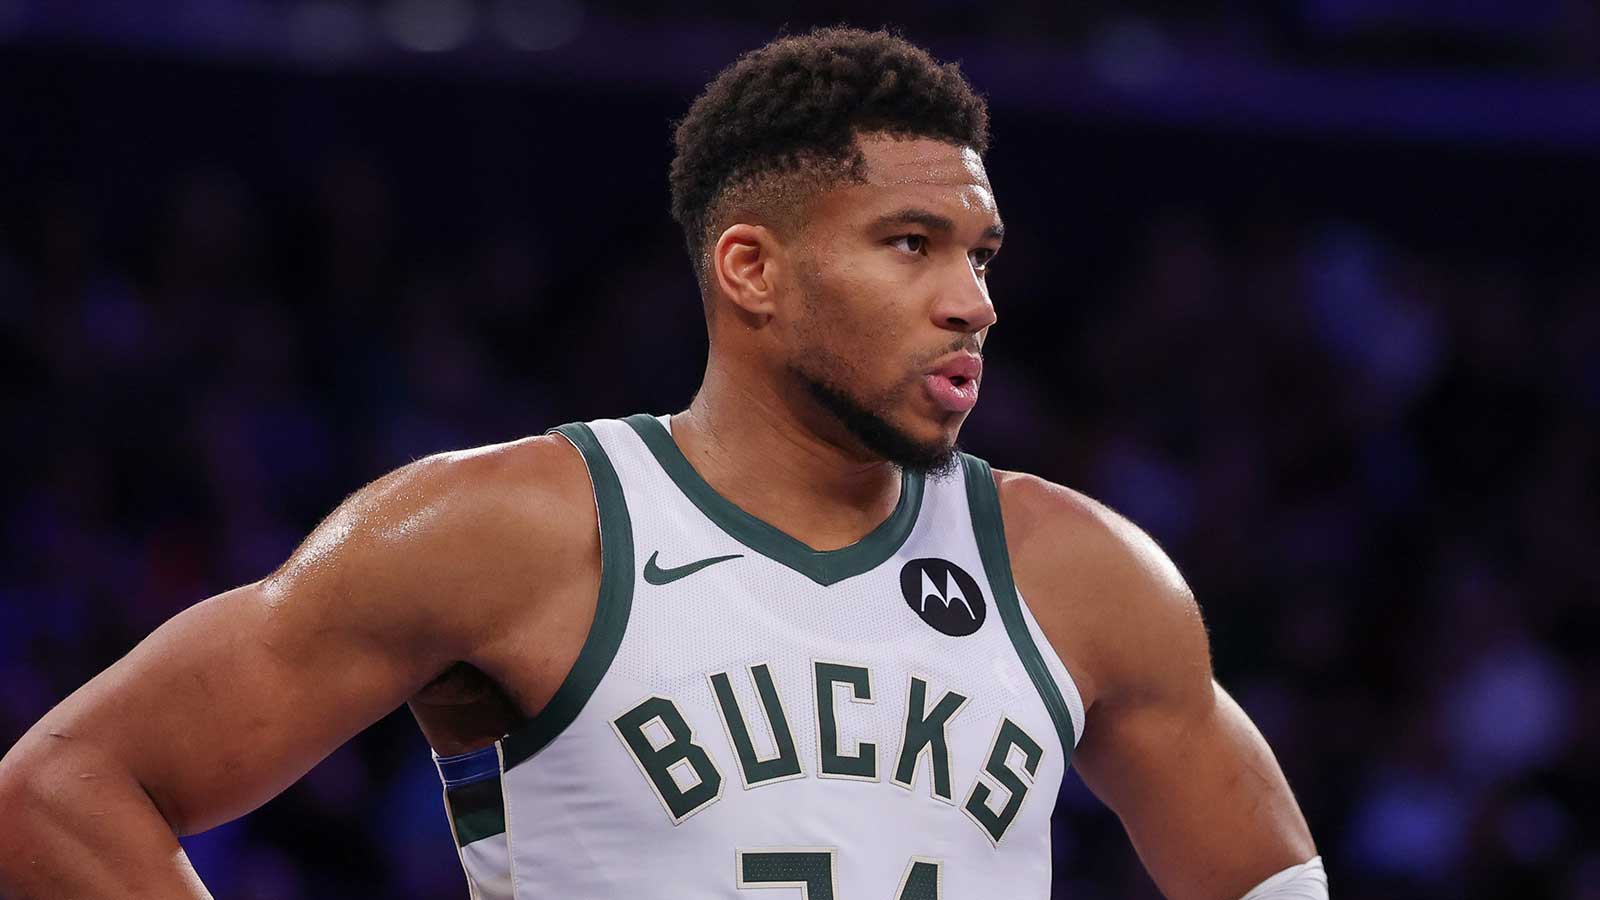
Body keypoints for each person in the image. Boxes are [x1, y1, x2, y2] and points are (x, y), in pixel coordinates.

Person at [0, 27, 1324, 900]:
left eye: (979, 255)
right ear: (750, 269)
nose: (971, 301)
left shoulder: (1083, 572)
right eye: (912, 244)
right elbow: (60, 793)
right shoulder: (510, 530)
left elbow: (1273, 884)